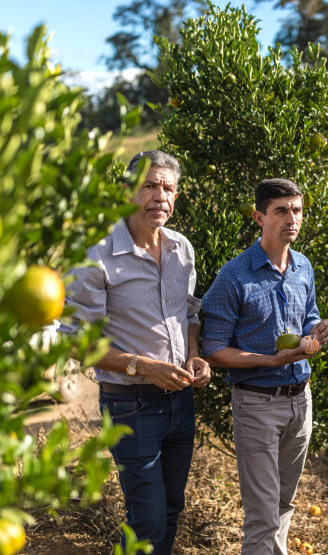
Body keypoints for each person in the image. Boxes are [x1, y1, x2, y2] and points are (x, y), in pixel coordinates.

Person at [62, 150, 211, 555]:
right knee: (146, 516)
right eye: (149, 185)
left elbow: (190, 313)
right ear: (128, 192)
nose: (159, 196)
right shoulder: (95, 257)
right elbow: (76, 341)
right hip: (131, 406)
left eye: (168, 188)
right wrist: (141, 365)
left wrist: (194, 354)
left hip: (180, 401)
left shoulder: (182, 249)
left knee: (171, 508)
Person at [200, 178, 328, 555]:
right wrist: (270, 360)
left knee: (284, 505)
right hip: (257, 403)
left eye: (297, 210)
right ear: (259, 217)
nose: (292, 218)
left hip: (300, 401)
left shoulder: (303, 266)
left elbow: (308, 315)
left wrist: (319, 329)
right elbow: (213, 348)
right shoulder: (234, 276)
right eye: (281, 211)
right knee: (262, 515)